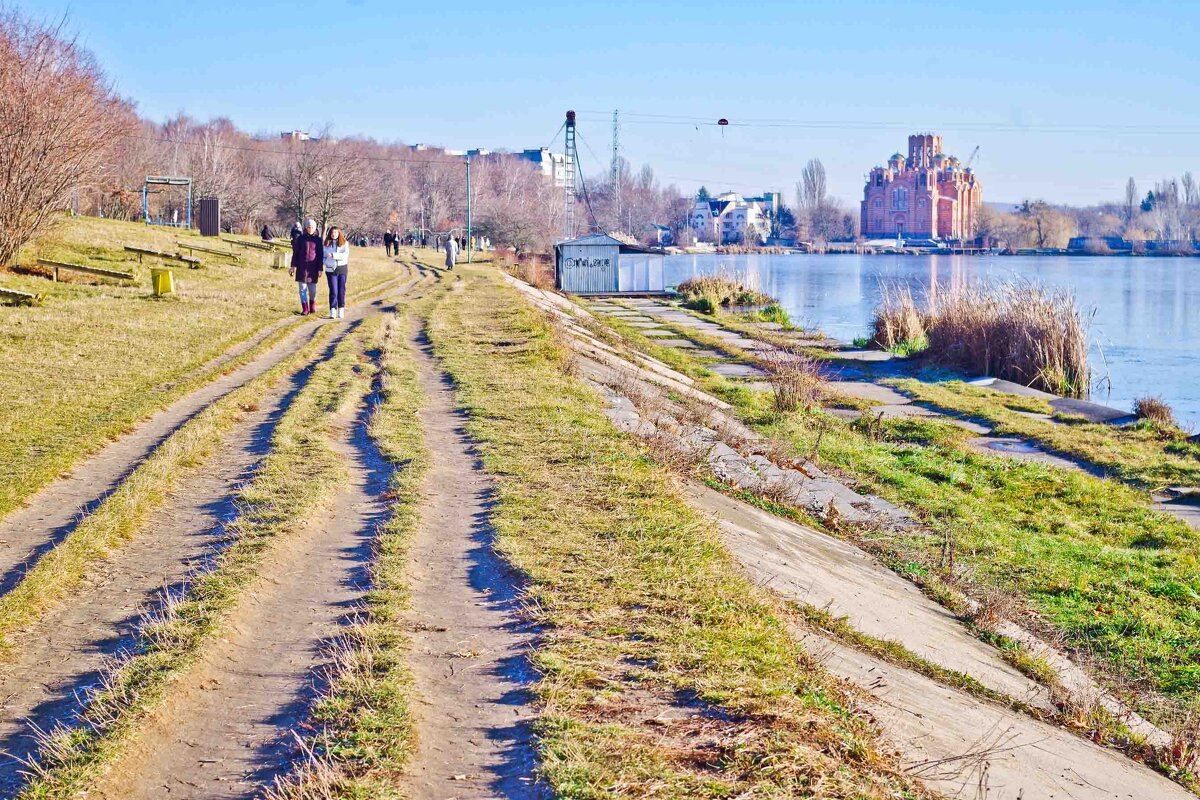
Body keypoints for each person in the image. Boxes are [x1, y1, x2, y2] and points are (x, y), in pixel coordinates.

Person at [289, 218, 323, 315]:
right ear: (305, 228)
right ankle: (305, 308)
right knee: (302, 289)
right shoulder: (300, 239)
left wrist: (320, 269)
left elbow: (320, 255)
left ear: (315, 228)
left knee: (312, 290)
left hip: (313, 268)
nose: (310, 229)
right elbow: (295, 253)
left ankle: (312, 305)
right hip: (301, 268)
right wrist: (292, 266)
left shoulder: (318, 240)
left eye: (312, 227)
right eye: (308, 227)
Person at [323, 225, 350, 320]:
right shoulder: (326, 244)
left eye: (335, 232)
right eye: (332, 233)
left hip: (342, 269)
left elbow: (345, 255)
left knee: (341, 290)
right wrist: (326, 262)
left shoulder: (344, 243)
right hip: (330, 270)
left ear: (339, 233)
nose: (333, 234)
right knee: (333, 291)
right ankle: (333, 310)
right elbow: (323, 257)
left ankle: (341, 308)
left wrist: (333, 255)